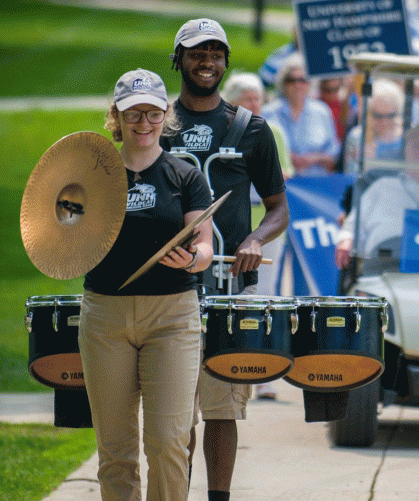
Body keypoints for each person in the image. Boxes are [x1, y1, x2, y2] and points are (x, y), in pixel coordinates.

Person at [162, 18, 289, 501]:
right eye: (197, 53)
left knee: (222, 408)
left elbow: (279, 208)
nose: (207, 62)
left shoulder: (250, 129)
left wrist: (256, 238)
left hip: (230, 286)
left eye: (216, 53)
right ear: (180, 60)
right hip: (170, 285)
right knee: (176, 412)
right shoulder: (160, 123)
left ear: (226, 61)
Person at [79, 68, 214, 501]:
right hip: (106, 315)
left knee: (168, 440)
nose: (143, 123)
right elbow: (63, 236)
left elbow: (205, 245)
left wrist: (193, 260)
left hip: (172, 316)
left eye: (153, 113)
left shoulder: (185, 176)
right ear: (115, 118)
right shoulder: (93, 176)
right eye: (133, 114)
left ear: (166, 115)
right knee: (115, 450)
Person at [220, 70, 294, 400]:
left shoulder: (271, 130)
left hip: (265, 228)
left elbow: (285, 174)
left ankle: (261, 374)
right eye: (247, 99)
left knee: (262, 295)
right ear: (231, 102)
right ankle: (226, 365)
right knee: (226, 297)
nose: (254, 104)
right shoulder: (221, 130)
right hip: (226, 229)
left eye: (257, 99)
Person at [335, 115, 419, 270]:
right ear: (406, 151)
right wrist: (346, 239)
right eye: (417, 145)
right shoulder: (381, 186)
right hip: (380, 266)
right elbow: (353, 224)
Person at [262, 53, 341, 176]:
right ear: (283, 83)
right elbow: (260, 149)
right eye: (291, 80)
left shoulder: (322, 111)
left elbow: (334, 152)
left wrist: (313, 158)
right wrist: (287, 157)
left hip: (315, 182)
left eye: (303, 80)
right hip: (280, 182)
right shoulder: (268, 112)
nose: (297, 85)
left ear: (310, 83)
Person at [342, 78, 405, 175]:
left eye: (391, 115)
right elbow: (351, 175)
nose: (385, 122)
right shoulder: (357, 136)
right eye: (378, 116)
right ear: (370, 113)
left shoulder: (408, 137)